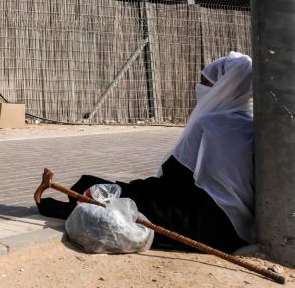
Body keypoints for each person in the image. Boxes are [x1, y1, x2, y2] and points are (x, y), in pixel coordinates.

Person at [37, 51, 255, 253]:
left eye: (206, 83)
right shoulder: (251, 125)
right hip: (238, 229)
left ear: (223, 87)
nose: (200, 88)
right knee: (128, 192)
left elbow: (175, 178)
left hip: (203, 221)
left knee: (96, 188)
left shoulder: (209, 124)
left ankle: (70, 207)